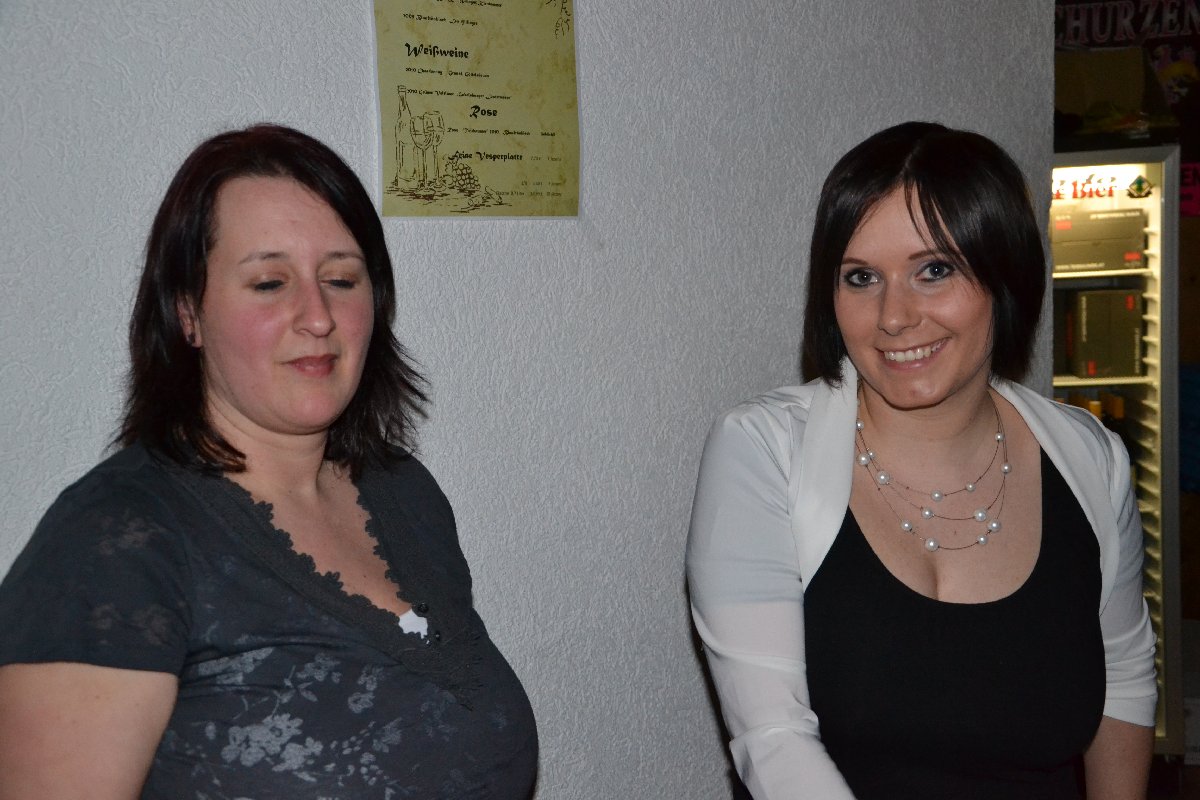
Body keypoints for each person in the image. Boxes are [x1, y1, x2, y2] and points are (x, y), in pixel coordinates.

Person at [0, 124, 538, 799]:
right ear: (188, 312)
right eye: (268, 282)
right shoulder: (111, 542)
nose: (318, 316)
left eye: (341, 278)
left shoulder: (406, 494)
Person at [686, 122, 1157, 799]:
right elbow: (772, 739)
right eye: (861, 278)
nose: (893, 316)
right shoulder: (763, 451)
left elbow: (1126, 678)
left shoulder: (1090, 458)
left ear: (1006, 272)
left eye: (934, 270)